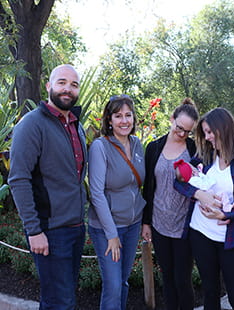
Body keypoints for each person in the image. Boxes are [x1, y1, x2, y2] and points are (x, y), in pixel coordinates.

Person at [8, 64, 87, 309]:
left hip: (75, 228)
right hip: (50, 231)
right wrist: (34, 230)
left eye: (74, 85)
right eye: (62, 82)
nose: (68, 89)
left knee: (57, 300)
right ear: (48, 86)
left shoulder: (76, 125)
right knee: (61, 303)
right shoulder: (31, 124)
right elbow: (18, 179)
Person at [174, 107, 234, 310]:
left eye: (210, 132)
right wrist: (199, 194)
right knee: (210, 292)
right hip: (201, 233)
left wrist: (228, 214)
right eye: (205, 132)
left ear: (224, 128)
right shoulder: (205, 156)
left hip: (232, 238)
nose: (208, 137)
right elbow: (178, 180)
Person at [88, 95, 146, 310]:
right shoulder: (100, 147)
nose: (124, 121)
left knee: (122, 282)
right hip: (107, 228)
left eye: (128, 115)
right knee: (113, 285)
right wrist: (111, 234)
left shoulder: (137, 143)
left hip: (132, 225)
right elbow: (96, 193)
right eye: (118, 116)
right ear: (109, 120)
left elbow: (137, 185)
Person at [142, 97, 199, 310]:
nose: (182, 133)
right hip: (159, 223)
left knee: (182, 280)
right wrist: (146, 222)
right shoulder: (154, 147)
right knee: (167, 278)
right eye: (179, 127)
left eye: (187, 131)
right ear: (171, 119)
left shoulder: (195, 149)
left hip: (186, 226)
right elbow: (148, 187)